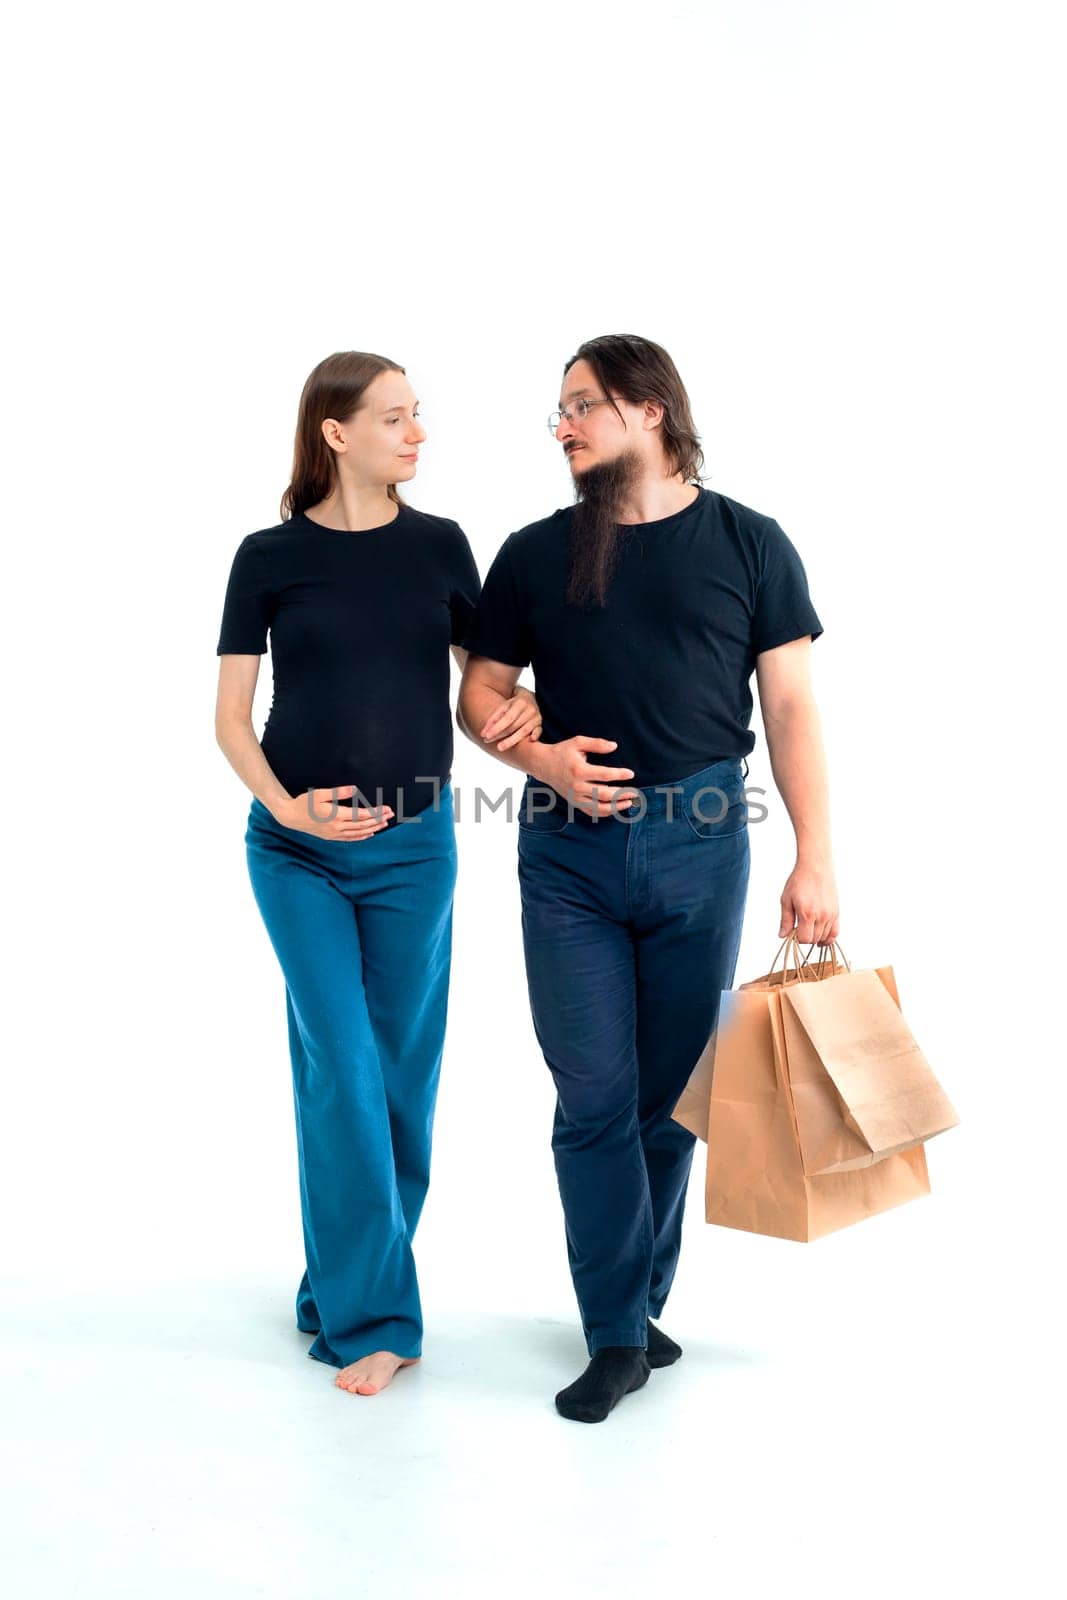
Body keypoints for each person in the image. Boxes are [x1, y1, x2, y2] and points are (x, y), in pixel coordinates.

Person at [458, 333, 838, 1423]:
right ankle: (616, 1332)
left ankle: (632, 1300)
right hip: (564, 857)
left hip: (703, 843)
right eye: (558, 411)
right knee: (590, 1098)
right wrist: (534, 756)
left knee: (669, 1105)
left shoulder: (749, 543)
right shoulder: (533, 553)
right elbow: (478, 695)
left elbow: (794, 708)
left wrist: (815, 856)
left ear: (649, 411)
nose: (562, 427)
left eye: (579, 406)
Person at [214, 351, 540, 1398]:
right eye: (395, 417)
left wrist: (524, 723)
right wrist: (286, 805)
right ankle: (376, 1317)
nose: (417, 433)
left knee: (400, 1083)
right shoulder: (266, 555)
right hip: (298, 852)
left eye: (417, 416)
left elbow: (484, 693)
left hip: (415, 851)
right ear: (335, 432)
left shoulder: (442, 549)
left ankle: (337, 1277)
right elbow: (227, 719)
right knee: (343, 1069)